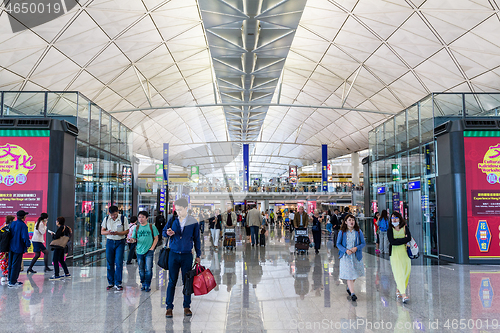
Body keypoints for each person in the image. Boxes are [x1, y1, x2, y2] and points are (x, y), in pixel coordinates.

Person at [163, 198, 201, 318]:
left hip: (187, 255)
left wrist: (198, 255)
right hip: (173, 254)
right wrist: (167, 233)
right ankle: (169, 307)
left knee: (187, 282)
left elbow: (197, 239)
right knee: (172, 281)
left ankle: (186, 306)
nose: (177, 212)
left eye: (180, 210)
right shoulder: (172, 220)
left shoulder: (193, 222)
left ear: (186, 208)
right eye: (176, 210)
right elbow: (164, 231)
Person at [337, 214, 365, 302]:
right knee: (349, 275)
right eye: (349, 220)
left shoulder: (358, 231)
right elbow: (338, 244)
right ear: (345, 222)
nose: (351, 221)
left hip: (356, 256)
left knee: (354, 274)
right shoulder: (342, 232)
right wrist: (345, 250)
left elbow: (363, 243)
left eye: (353, 220)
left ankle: (349, 287)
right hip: (346, 256)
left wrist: (356, 248)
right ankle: (353, 293)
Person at [101, 205, 129, 291]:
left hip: (120, 242)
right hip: (109, 242)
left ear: (118, 212)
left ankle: (118, 283)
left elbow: (127, 231)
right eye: (112, 215)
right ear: (109, 213)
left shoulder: (123, 218)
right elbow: (102, 232)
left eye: (115, 214)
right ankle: (111, 282)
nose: (114, 216)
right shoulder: (106, 219)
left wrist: (118, 233)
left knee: (118, 262)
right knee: (110, 262)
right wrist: (108, 232)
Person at [388, 211, 412, 304]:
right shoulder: (390, 229)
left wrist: (398, 240)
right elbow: (392, 242)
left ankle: (398, 289)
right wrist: (403, 239)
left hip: (405, 253)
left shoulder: (405, 227)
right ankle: (403, 294)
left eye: (396, 218)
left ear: (400, 219)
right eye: (392, 218)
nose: (394, 220)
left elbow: (409, 238)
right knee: (398, 273)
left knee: (406, 272)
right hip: (395, 253)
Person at [132, 211, 158, 292]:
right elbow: (134, 239)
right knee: (141, 269)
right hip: (139, 251)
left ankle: (147, 284)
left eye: (143, 217)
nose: (141, 219)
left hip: (149, 251)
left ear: (147, 218)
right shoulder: (136, 228)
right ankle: (143, 283)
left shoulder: (151, 226)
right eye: (139, 217)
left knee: (149, 269)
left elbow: (156, 238)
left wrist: (152, 248)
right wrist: (131, 240)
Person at [8, 210, 31, 287]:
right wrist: (28, 244)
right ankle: (13, 282)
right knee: (16, 265)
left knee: (10, 263)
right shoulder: (23, 225)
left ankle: (10, 279)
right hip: (18, 247)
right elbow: (25, 237)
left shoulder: (12, 223)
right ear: (23, 217)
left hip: (11, 247)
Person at [0, 215, 15, 283]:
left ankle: (6, 275)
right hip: (5, 248)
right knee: (4, 261)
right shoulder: (7, 228)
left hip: (5, 248)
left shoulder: (4, 228)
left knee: (5, 261)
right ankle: (4, 275)